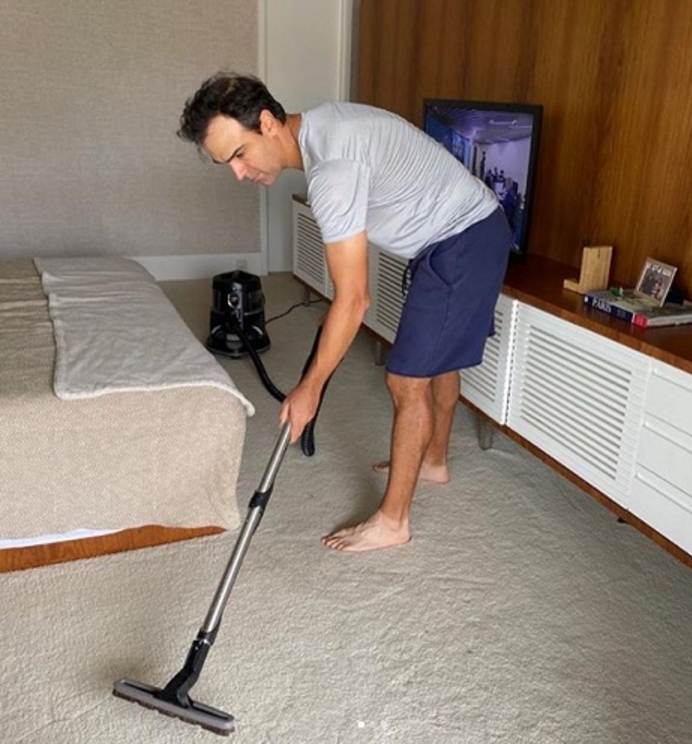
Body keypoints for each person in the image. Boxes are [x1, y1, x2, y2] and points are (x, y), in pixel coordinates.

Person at [178, 73, 513, 552]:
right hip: (458, 232)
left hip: (464, 238)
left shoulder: (331, 171)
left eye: (238, 154)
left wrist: (309, 388)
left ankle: (394, 521)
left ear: (268, 123)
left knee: (406, 380)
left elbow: (355, 299)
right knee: (438, 355)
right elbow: (350, 288)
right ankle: (433, 461)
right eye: (225, 163)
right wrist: (339, 315)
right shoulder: (323, 126)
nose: (238, 173)